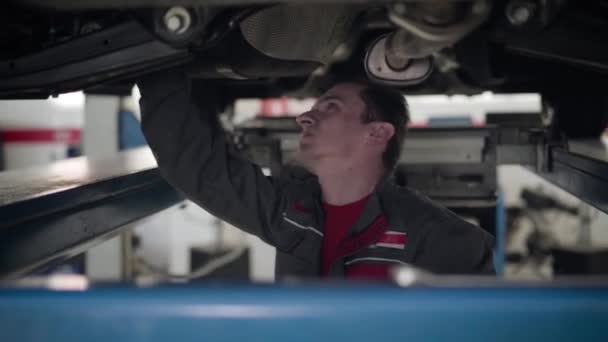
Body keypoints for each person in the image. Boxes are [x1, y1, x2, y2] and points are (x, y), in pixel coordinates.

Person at [137, 66, 494, 281]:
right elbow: (195, 165)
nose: (304, 118)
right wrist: (160, 56)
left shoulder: (443, 238)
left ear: (377, 133)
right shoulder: (290, 211)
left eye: (330, 108)